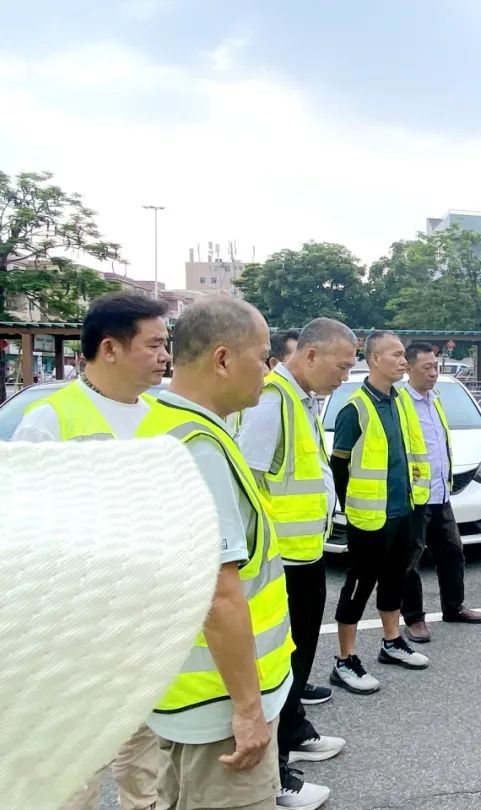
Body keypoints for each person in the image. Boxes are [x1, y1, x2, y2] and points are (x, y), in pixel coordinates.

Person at [135, 298, 301, 810]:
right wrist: (249, 709)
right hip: (218, 704)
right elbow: (219, 596)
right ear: (223, 359)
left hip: (184, 691)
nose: (269, 370)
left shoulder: (161, 422)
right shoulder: (199, 446)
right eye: (263, 356)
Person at [13, 292, 170, 810]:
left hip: (148, 618)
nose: (165, 356)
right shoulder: (51, 420)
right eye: (154, 345)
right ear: (110, 348)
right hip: (78, 629)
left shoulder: (161, 417)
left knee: (145, 754)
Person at [237, 318, 356, 804]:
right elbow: (246, 480)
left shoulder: (299, 398)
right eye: (341, 366)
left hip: (304, 551)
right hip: (281, 558)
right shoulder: (273, 399)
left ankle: (294, 730)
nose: (344, 377)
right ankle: (277, 773)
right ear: (310, 355)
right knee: (284, 657)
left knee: (300, 651)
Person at [330, 331, 429, 695]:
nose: (404, 361)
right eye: (397, 355)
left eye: (404, 355)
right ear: (374, 359)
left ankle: (391, 642)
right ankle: (345, 659)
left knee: (395, 579)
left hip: (403, 510)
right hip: (369, 518)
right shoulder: (354, 409)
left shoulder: (400, 401)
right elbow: (338, 467)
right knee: (359, 586)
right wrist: (353, 508)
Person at [397, 342, 481, 644]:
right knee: (410, 561)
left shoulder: (434, 399)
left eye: (435, 367)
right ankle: (414, 619)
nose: (433, 373)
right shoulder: (400, 402)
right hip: (415, 497)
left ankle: (454, 607)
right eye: (427, 367)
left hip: (440, 493)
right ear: (409, 368)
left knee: (452, 552)